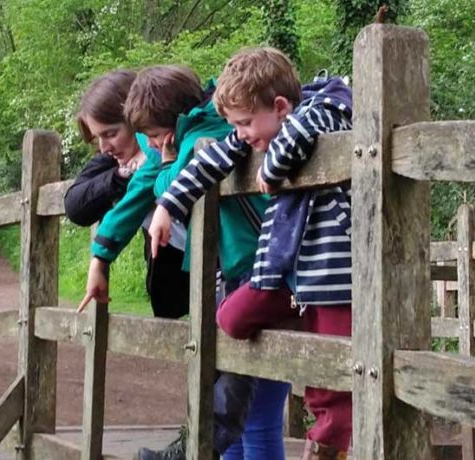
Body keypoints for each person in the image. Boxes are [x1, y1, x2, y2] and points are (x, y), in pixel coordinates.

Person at [146, 48, 355, 460]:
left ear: (279, 106)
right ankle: (293, 316)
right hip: (287, 272)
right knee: (229, 319)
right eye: (235, 125)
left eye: (244, 123)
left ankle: (329, 445)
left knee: (330, 375)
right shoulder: (257, 133)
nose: (240, 134)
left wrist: (271, 169)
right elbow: (211, 160)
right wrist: (168, 206)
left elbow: (298, 134)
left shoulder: (325, 108)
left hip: (334, 273)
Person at [122, 64, 284, 460]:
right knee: (235, 400)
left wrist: (164, 165)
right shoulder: (225, 136)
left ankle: (195, 446)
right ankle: (196, 444)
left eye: (157, 137)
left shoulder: (206, 137)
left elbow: (169, 183)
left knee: (257, 417)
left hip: (260, 270)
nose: (242, 131)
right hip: (239, 273)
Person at [64, 70, 190, 319]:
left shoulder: (164, 151)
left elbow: (135, 199)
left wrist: (99, 259)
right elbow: (75, 205)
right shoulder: (115, 159)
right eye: (98, 137)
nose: (104, 148)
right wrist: (120, 178)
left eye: (111, 134)